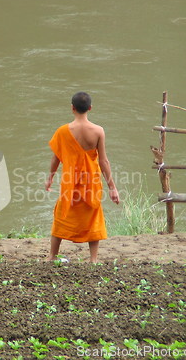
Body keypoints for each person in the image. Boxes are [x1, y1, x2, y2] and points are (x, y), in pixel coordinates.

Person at [45, 92, 119, 263]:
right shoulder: (98, 131)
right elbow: (103, 161)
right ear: (90, 108)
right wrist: (112, 187)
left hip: (69, 181)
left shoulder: (63, 131)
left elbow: (56, 157)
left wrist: (50, 177)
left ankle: (52, 256)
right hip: (91, 181)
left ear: (72, 108)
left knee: (63, 213)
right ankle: (93, 259)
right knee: (92, 215)